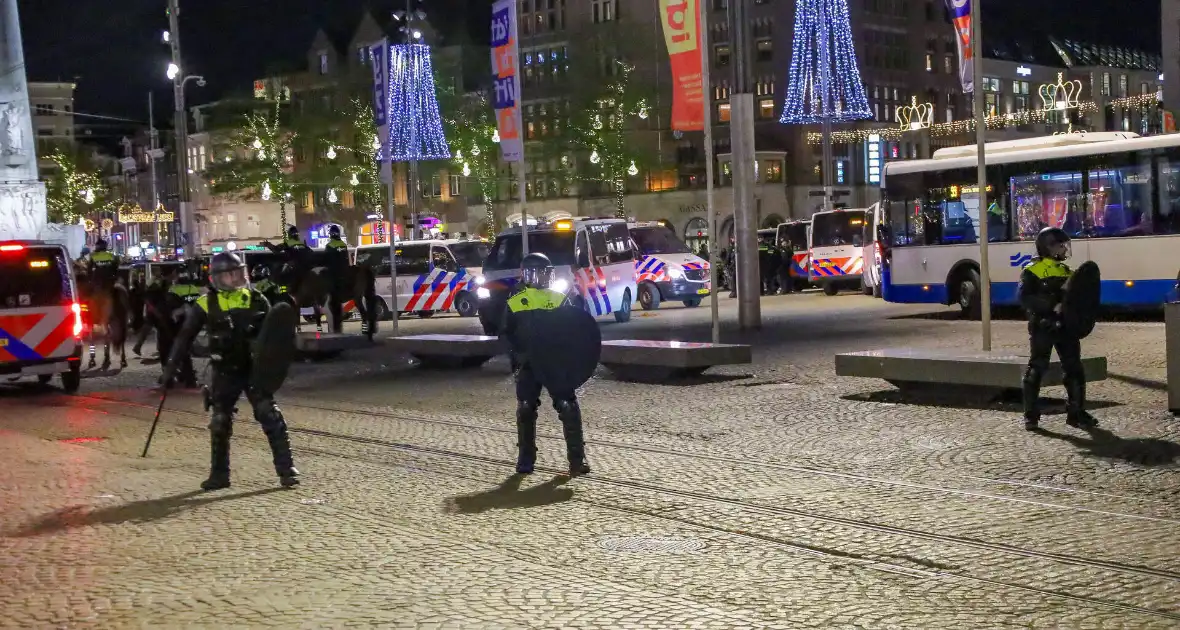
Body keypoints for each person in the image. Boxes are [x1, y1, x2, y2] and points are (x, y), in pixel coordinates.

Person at [163, 251, 300, 490]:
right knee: (220, 421)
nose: (235, 278)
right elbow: (184, 338)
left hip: (254, 368)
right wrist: (169, 370)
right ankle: (219, 475)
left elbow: (273, 336)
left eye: (238, 273)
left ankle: (287, 469)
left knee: (270, 415)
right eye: (229, 275)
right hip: (225, 369)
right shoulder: (205, 304)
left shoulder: (256, 299)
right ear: (216, 278)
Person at [500, 253, 591, 477]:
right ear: (528, 274)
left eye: (545, 273)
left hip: (554, 362)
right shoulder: (516, 300)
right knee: (525, 409)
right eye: (539, 273)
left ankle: (577, 460)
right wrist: (517, 356)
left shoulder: (559, 298)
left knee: (568, 406)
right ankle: (525, 460)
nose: (542, 277)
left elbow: (575, 328)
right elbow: (506, 332)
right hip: (529, 364)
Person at [1019, 227, 1094, 431]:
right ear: (1048, 247)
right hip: (1043, 326)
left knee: (1074, 369)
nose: (1064, 248)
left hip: (1066, 326)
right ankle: (1031, 416)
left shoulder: (1067, 271)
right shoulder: (1032, 270)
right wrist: (1052, 305)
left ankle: (1076, 413)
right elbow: (1025, 298)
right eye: (1060, 245)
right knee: (1037, 368)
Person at [323, 225, 350, 333]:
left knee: (332, 298)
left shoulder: (329, 245)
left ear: (331, 235)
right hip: (344, 272)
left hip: (334, 274)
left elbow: (326, 260)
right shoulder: (343, 245)